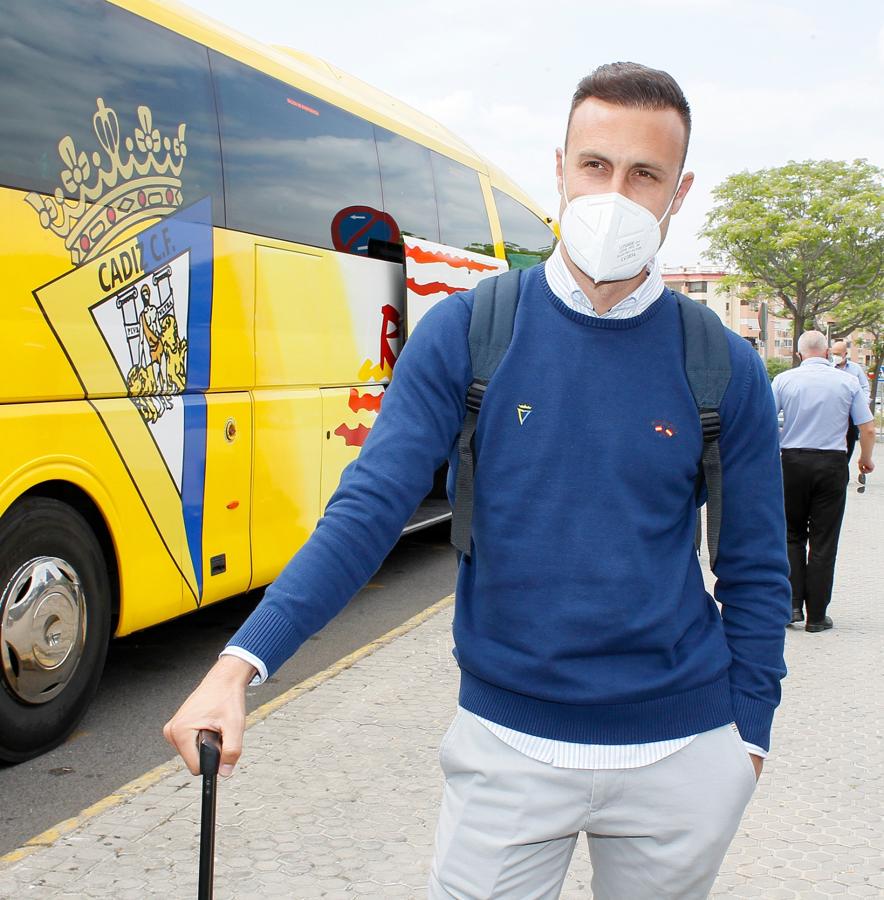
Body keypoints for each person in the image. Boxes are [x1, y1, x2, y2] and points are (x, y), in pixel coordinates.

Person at [165, 63, 792, 899]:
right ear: (560, 167)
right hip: (506, 748)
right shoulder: (470, 331)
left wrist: (747, 739)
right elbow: (366, 511)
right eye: (595, 165)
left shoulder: (724, 363)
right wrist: (239, 666)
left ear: (679, 192)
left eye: (645, 174)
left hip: (682, 755)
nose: (616, 192)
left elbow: (755, 566)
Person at [771, 331, 875, 633]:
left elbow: (765, 419)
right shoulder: (847, 382)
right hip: (831, 464)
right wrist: (865, 460)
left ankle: (791, 606)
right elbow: (867, 429)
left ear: (800, 353)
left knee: (791, 535)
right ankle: (817, 616)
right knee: (824, 540)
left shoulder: (784, 380)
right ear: (828, 352)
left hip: (791, 461)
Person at [831, 338, 872, 461]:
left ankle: (845, 465)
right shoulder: (829, 368)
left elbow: (864, 387)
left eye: (838, 354)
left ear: (845, 354)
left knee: (850, 439)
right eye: (834, 354)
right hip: (834, 412)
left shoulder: (855, 369)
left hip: (851, 412)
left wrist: (862, 404)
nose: (836, 356)